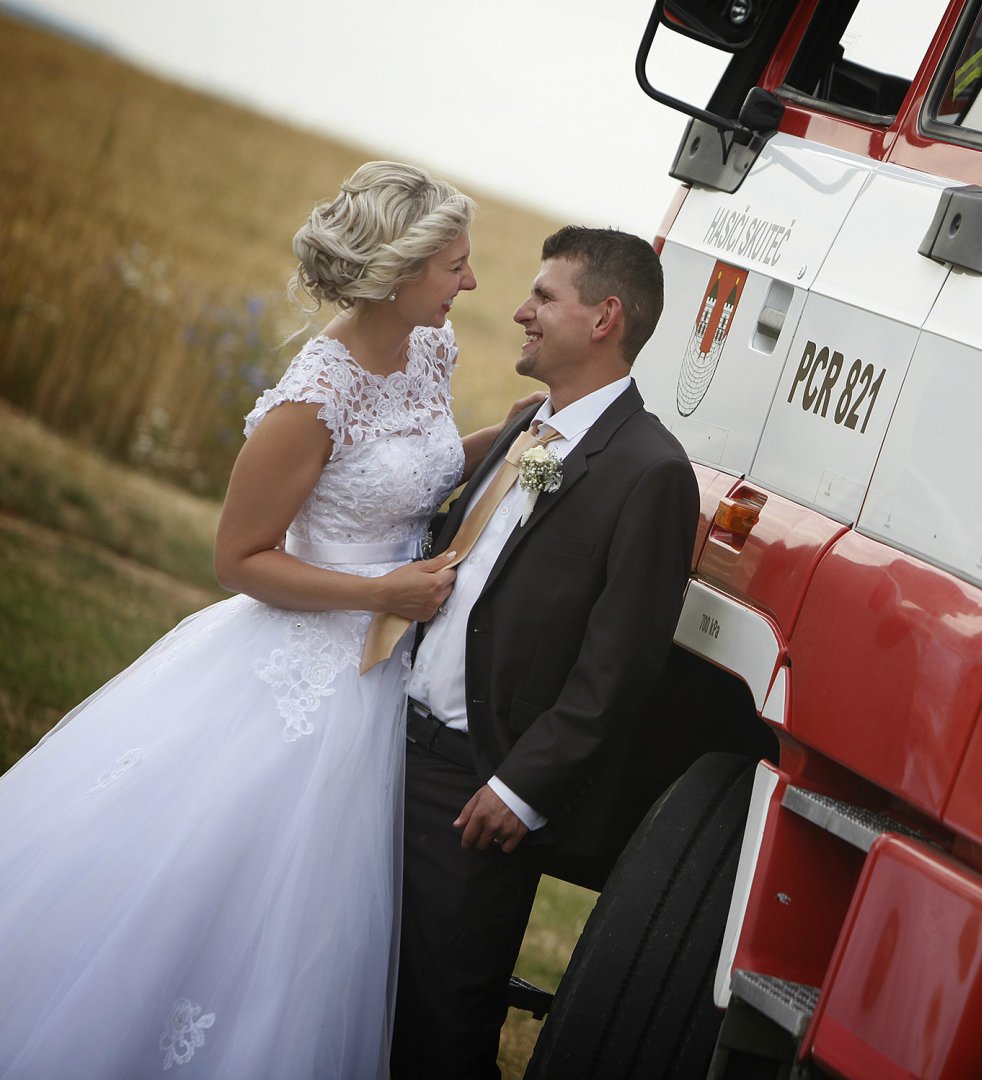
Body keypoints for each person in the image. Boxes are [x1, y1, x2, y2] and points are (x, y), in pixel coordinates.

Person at [0, 161, 524, 1078]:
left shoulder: (430, 347)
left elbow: (418, 468)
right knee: (226, 882)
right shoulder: (313, 393)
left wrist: (514, 438)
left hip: (389, 665)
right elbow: (240, 558)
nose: (472, 283)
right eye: (455, 266)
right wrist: (380, 594)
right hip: (305, 664)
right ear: (399, 271)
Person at [389, 227, 699, 1079]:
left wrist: (520, 788)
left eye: (544, 297)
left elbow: (620, 664)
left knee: (442, 1028)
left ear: (604, 318)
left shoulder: (652, 471)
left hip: (476, 787)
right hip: (392, 750)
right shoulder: (530, 423)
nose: (521, 312)